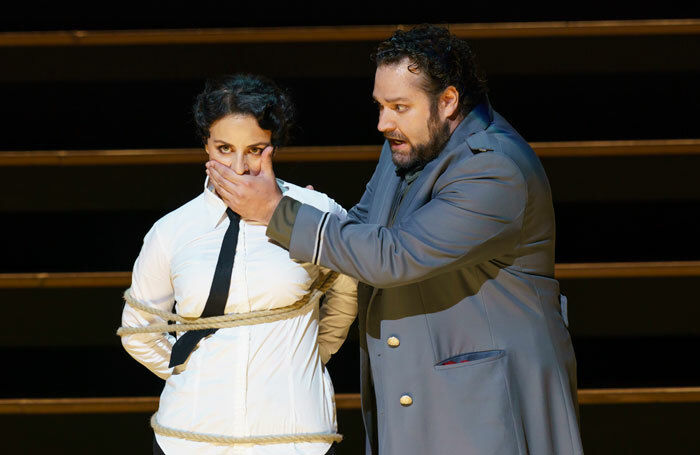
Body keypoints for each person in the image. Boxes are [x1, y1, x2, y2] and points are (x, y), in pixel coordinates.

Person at [207, 25, 584, 455]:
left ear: (448, 101)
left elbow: (394, 255)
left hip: (483, 410)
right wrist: (305, 210)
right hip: (418, 400)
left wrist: (278, 212)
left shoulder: (494, 169)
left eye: (400, 106)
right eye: (381, 105)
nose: (384, 122)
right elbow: (365, 224)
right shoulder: (411, 143)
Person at [120, 74, 357, 455]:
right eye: (225, 148)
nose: (240, 166)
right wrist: (193, 372)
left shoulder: (317, 212)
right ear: (206, 145)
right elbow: (138, 329)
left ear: (273, 147)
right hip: (189, 440)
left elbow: (345, 299)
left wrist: (304, 359)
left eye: (255, 148)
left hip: (298, 439)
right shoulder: (173, 231)